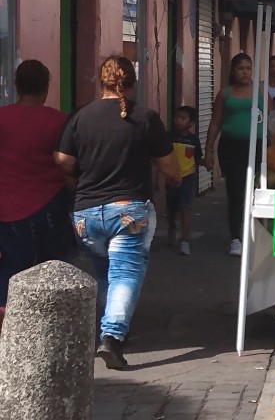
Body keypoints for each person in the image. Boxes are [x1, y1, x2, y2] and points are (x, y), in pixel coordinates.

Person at [55, 55, 181, 369]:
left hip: (85, 215)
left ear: (101, 82)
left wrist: (76, 182)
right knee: (124, 274)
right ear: (133, 82)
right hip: (128, 213)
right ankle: (112, 338)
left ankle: (110, 329)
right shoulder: (145, 117)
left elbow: (61, 159)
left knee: (104, 274)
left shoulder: (80, 117)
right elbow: (169, 167)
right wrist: (175, 178)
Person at [0, 60, 74, 330]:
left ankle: (7, 319)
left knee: (10, 267)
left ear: (16, 86)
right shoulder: (59, 121)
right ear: (46, 88)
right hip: (49, 205)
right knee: (53, 268)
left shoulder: (2, 118)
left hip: (6, 209)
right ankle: (49, 325)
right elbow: (68, 165)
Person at [205, 53, 266, 256]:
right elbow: (215, 122)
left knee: (257, 188)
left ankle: (257, 232)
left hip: (256, 146)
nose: (245, 72)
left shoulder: (259, 92)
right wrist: (209, 150)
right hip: (231, 147)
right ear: (233, 71)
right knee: (236, 191)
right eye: (241, 68)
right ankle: (236, 237)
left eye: (249, 68)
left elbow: (271, 118)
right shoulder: (225, 94)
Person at [166, 105, 204, 255]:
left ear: (191, 123)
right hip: (170, 177)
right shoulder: (168, 137)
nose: (178, 121)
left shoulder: (193, 140)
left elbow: (197, 157)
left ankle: (185, 240)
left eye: (183, 118)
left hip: (187, 177)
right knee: (172, 208)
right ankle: (172, 227)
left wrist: (206, 163)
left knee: (185, 207)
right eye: (177, 117)